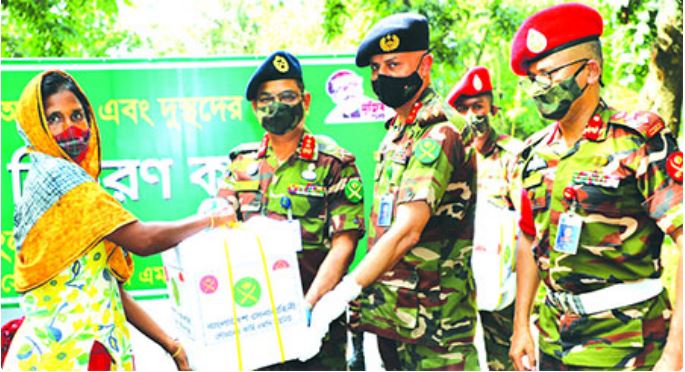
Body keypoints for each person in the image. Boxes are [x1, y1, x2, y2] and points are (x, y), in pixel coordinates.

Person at [2, 70, 234, 371]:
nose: (70, 127)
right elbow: (143, 240)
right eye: (54, 118)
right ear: (36, 126)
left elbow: (108, 287)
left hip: (69, 350)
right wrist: (210, 220)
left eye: (77, 115)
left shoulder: (54, 179)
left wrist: (171, 346)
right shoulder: (60, 178)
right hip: (73, 354)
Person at [506, 3, 683, 371]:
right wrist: (521, 325)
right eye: (533, 78)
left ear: (591, 71)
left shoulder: (638, 141)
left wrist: (675, 354)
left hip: (628, 345)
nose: (539, 88)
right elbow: (527, 238)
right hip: (554, 339)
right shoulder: (532, 153)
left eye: (549, 74)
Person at [305, 13, 480, 370]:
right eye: (375, 68)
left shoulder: (439, 133)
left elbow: (406, 231)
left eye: (394, 64)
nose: (381, 76)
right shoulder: (398, 132)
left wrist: (344, 291)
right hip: (394, 317)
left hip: (436, 326)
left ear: (425, 65)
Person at [217, 51, 365, 370]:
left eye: (287, 96)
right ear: (255, 109)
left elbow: (345, 244)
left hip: (316, 324)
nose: (277, 105)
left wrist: (308, 305)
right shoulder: (241, 165)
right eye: (266, 99)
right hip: (254, 322)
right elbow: (221, 227)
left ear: (305, 100)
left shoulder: (333, 164)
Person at [446, 66, 521, 371]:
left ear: (492, 108)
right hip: (454, 274)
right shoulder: (446, 154)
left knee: (505, 357)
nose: (471, 115)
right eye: (463, 108)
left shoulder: (511, 154)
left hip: (500, 277)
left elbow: (526, 222)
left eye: (478, 106)